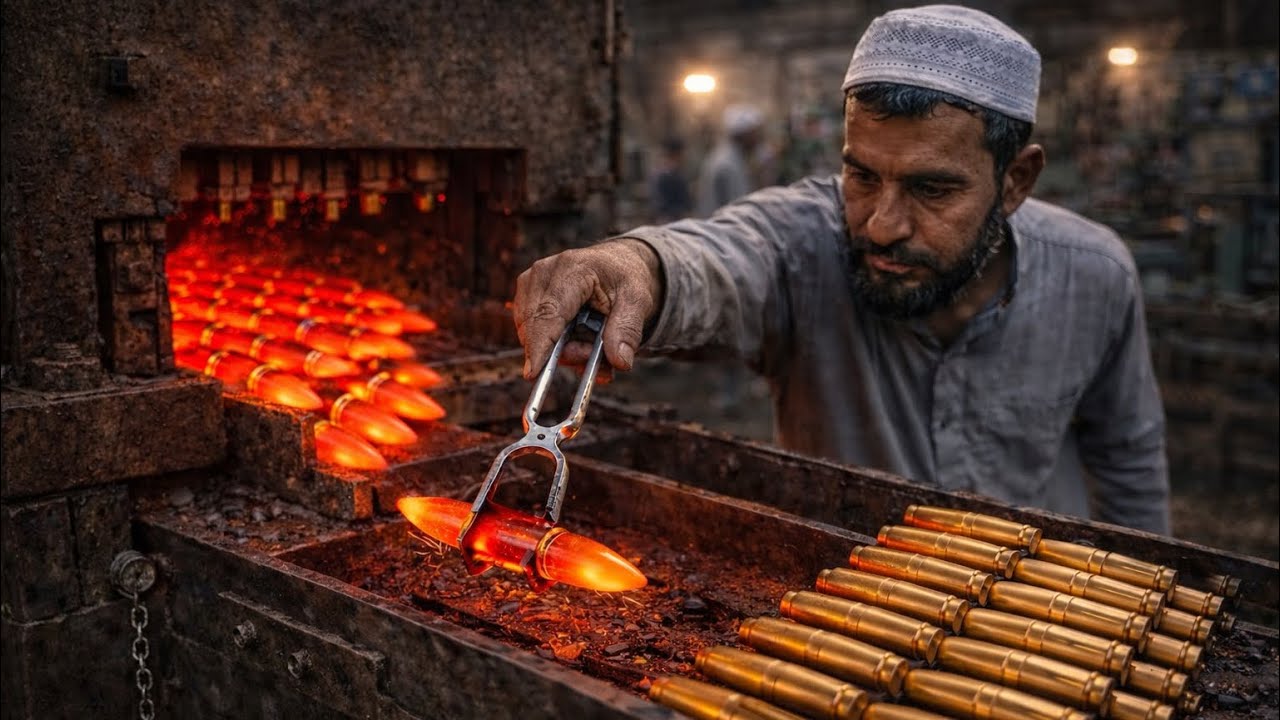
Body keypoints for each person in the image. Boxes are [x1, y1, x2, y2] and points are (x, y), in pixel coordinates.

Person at [513, 5, 1171, 534]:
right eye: (861, 175)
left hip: (1035, 622)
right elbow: (719, 259)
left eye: (932, 190)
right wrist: (632, 264)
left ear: (1016, 180)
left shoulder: (1095, 275)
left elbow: (1129, 463)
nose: (881, 224)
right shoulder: (807, 239)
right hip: (839, 622)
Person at [696, 104, 766, 217]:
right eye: (754, 133)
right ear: (743, 135)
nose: (758, 138)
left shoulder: (726, 155)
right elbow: (740, 210)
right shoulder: (729, 165)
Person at [649, 137, 695, 223]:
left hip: (670, 219)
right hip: (671, 221)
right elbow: (662, 205)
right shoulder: (668, 175)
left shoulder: (663, 172)